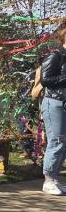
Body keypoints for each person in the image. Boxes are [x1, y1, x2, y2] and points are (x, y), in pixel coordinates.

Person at [39, 21, 66, 195]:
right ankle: (48, 179)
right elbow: (46, 80)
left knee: (64, 142)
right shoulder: (56, 56)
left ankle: (55, 178)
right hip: (55, 103)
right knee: (57, 141)